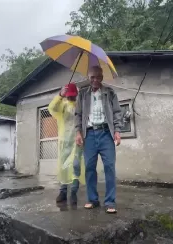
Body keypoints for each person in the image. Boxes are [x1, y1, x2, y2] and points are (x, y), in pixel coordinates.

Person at [75, 66, 122, 214]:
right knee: (89, 168)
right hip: (88, 134)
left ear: (102, 77)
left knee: (109, 167)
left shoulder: (110, 92)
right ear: (88, 78)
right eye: (92, 77)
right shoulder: (82, 94)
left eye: (98, 77)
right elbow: (78, 114)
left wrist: (118, 131)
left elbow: (117, 112)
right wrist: (78, 132)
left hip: (106, 134)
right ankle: (92, 199)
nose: (95, 80)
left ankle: (110, 202)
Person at [48, 83, 85, 205]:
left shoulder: (80, 105)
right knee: (63, 166)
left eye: (73, 95)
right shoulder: (63, 104)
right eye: (69, 96)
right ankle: (63, 192)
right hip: (65, 141)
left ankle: (73, 193)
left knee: (75, 166)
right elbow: (52, 108)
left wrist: (81, 96)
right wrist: (59, 95)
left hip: (77, 140)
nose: (71, 98)